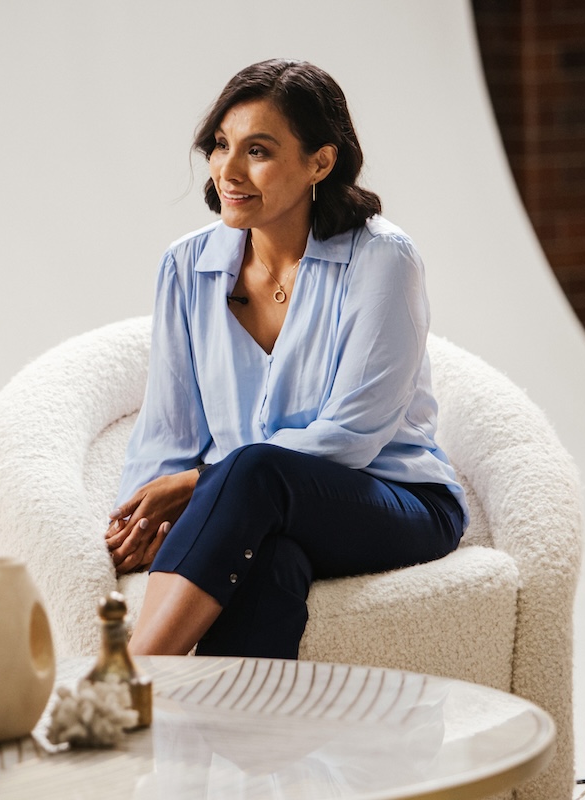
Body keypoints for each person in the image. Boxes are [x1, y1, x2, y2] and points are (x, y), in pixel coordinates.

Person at [105, 58, 468, 659]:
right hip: (254, 511)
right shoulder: (185, 266)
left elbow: (351, 436)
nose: (229, 169)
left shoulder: (383, 260)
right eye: (221, 146)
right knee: (268, 560)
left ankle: (129, 681)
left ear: (320, 162)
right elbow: (167, 429)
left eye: (259, 150)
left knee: (250, 470)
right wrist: (146, 517)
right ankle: (237, 750)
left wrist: (202, 487)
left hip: (394, 501)